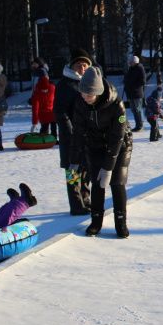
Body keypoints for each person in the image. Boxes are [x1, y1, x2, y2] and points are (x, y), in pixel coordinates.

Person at [70, 66, 133, 238]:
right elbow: (78, 132)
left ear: (98, 92)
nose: (85, 98)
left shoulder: (116, 104)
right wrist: (74, 160)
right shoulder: (80, 103)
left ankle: (121, 223)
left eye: (89, 95)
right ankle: (95, 221)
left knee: (116, 182)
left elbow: (117, 138)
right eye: (83, 94)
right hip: (95, 144)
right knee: (97, 183)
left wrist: (109, 167)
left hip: (119, 146)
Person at [54, 49, 93, 216]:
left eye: (85, 65)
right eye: (79, 65)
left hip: (87, 135)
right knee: (73, 171)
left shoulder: (88, 82)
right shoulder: (66, 84)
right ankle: (76, 204)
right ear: (72, 66)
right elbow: (60, 111)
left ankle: (86, 199)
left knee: (86, 169)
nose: (82, 68)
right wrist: (70, 131)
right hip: (71, 137)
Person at [123, 55, 147, 132]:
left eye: (131, 62)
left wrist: (133, 85)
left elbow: (143, 81)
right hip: (130, 93)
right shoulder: (131, 69)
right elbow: (128, 78)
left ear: (135, 62)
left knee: (138, 109)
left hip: (137, 93)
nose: (129, 63)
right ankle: (137, 125)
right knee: (133, 109)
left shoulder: (140, 68)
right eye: (129, 62)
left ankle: (140, 125)